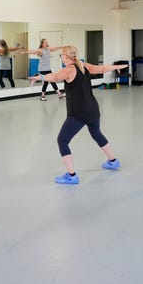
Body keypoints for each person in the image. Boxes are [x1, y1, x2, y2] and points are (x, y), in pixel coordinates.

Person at [28, 45, 127, 185]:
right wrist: (117, 67)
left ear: (66, 56)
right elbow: (102, 69)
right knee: (96, 134)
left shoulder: (69, 69)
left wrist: (40, 77)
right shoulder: (83, 65)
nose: (61, 57)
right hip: (93, 109)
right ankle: (113, 161)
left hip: (79, 113)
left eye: (61, 55)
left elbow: (55, 77)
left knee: (62, 140)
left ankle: (71, 175)